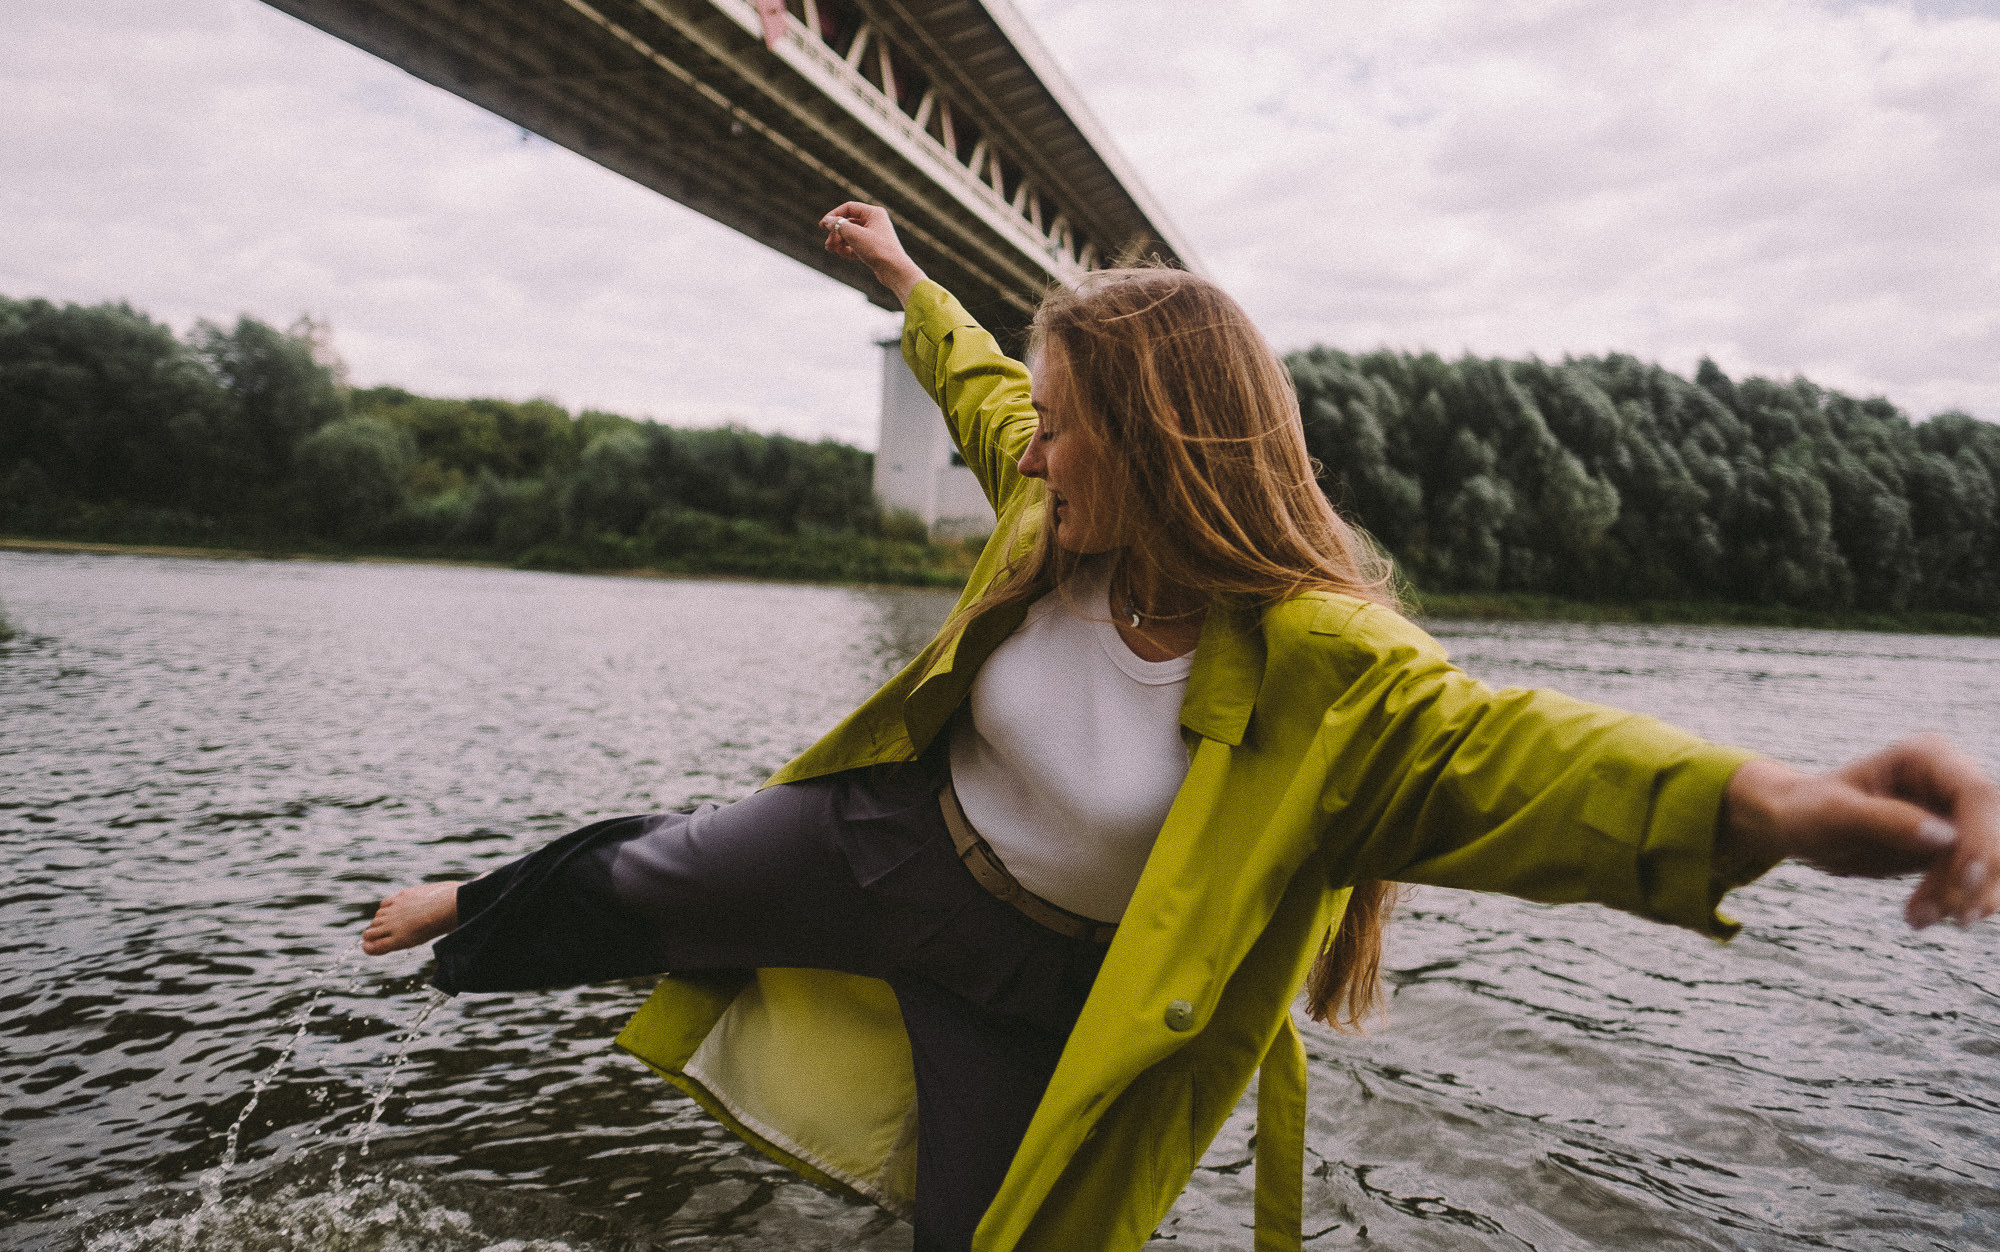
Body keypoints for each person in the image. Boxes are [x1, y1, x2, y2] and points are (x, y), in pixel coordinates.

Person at [364, 201, 1999, 1252]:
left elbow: (1525, 763)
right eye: (1050, 429)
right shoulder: (1051, 503)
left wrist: (1780, 802)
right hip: (879, 845)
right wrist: (908, 281)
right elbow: (986, 391)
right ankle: (459, 909)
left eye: (1075, 434)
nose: (1040, 458)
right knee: (641, 879)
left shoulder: (1325, 670)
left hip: (1045, 984)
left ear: (1159, 447)